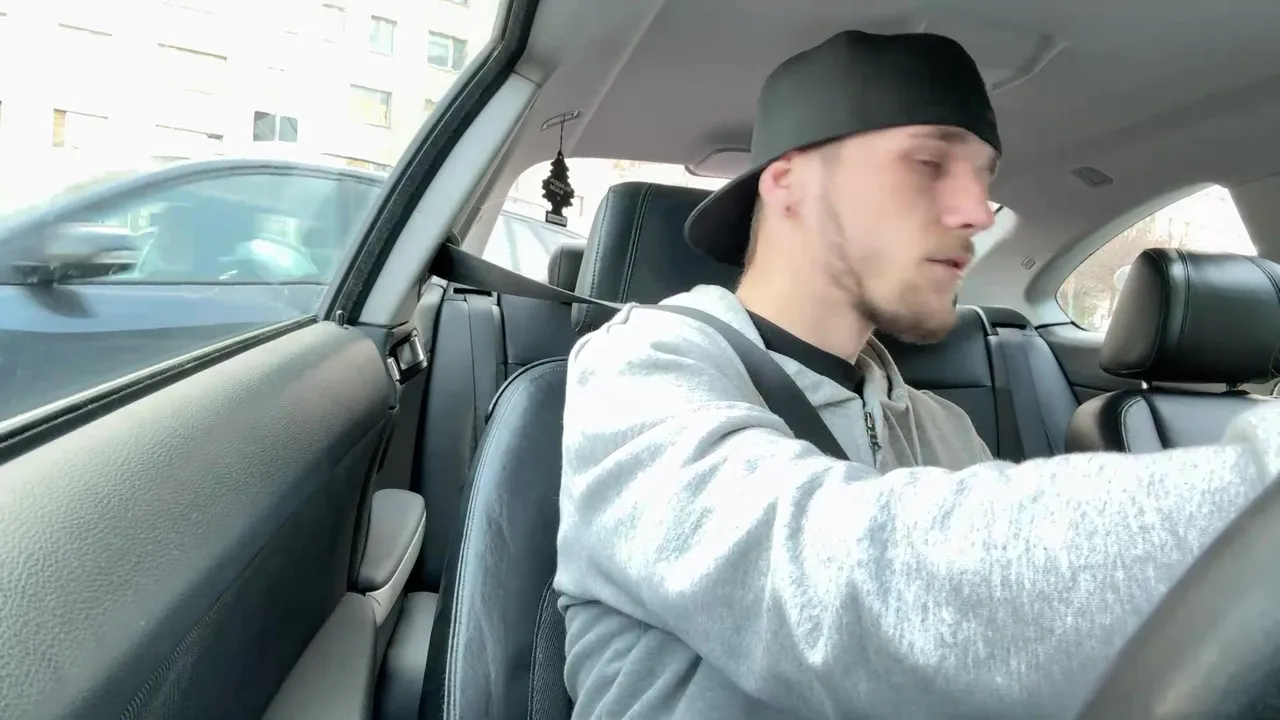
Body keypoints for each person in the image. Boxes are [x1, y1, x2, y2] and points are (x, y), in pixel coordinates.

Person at [555, 29, 1280, 719]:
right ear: (788, 184)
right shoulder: (639, 370)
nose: (977, 212)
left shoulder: (943, 425)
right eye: (927, 163)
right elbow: (827, 582)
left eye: (984, 178)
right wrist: (1257, 523)